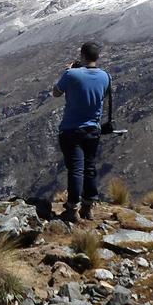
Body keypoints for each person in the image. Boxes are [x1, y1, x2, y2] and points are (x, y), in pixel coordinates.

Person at [53, 41, 111, 223]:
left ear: (82, 55)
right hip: (93, 129)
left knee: (76, 169)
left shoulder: (71, 74)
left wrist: (69, 71)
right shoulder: (105, 76)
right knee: (90, 167)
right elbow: (104, 94)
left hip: (72, 129)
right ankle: (88, 207)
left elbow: (56, 92)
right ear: (97, 57)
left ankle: (72, 209)